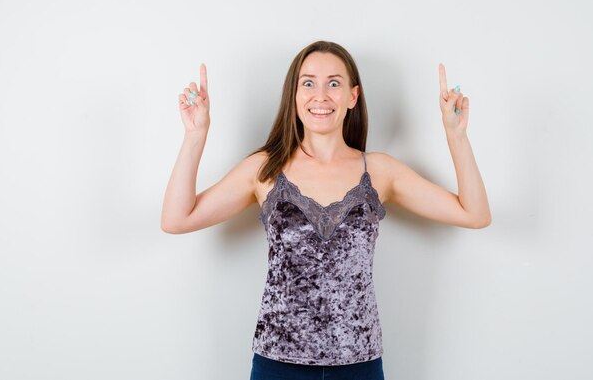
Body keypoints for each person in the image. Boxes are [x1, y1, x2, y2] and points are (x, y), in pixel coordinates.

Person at [161, 40, 491, 380]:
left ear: (352, 96)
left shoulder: (378, 171)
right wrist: (195, 135)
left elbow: (475, 214)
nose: (321, 95)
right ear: (294, 95)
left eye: (334, 83)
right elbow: (176, 218)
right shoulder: (264, 170)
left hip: (359, 365)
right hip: (278, 365)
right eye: (308, 83)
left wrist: (457, 137)